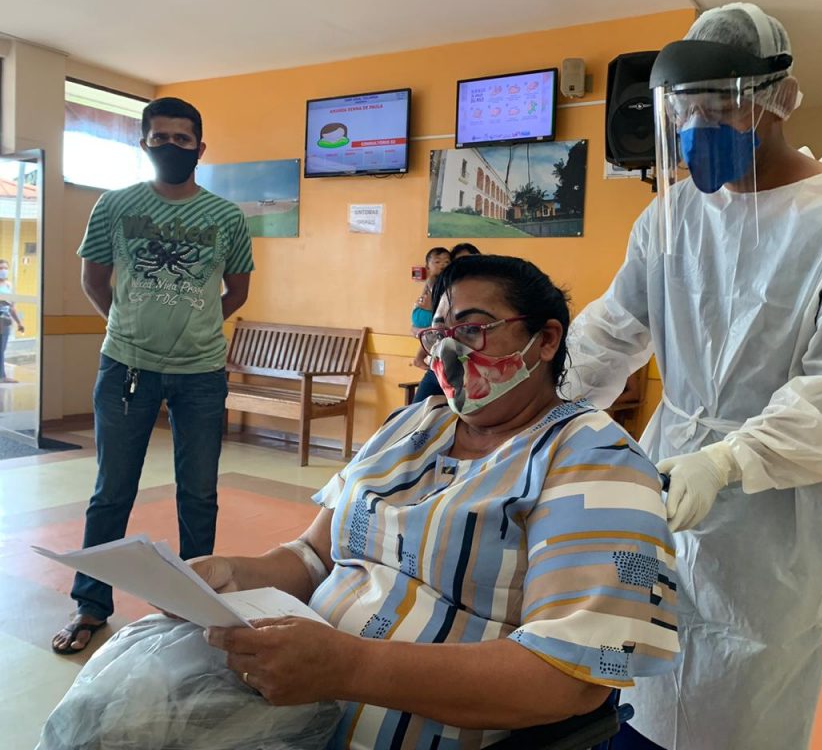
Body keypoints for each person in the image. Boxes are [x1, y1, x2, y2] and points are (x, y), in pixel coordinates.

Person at [43, 255, 682, 749]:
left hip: (388, 724)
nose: (450, 351)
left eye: (473, 329)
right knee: (99, 721)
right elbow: (313, 556)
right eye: (438, 333)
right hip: (285, 709)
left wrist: (349, 669)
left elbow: (567, 679)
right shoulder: (410, 428)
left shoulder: (594, 461)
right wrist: (233, 574)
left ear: (545, 340)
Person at [563, 3, 822, 750]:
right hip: (668, 476)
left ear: (775, 100)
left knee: (742, 681)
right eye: (685, 112)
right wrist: (537, 407)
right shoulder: (671, 218)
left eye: (719, 109)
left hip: (776, 506)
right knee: (639, 667)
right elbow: (610, 333)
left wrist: (730, 460)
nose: (698, 129)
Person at [51, 97, 254, 654]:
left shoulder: (227, 217)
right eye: (159, 138)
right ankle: (91, 605)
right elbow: (94, 280)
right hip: (125, 368)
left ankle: (196, 602)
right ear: (144, 144)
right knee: (111, 492)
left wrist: (196, 328)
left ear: (200, 148)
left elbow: (236, 290)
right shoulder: (114, 205)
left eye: (181, 139)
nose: (170, 147)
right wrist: (128, 328)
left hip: (201, 374)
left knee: (199, 493)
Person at [411, 244, 483, 403]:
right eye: (458, 262)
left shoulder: (484, 292)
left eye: (469, 261)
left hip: (473, 366)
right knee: (417, 409)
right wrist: (419, 330)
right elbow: (419, 327)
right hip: (441, 363)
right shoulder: (444, 288)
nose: (463, 267)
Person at [410, 247, 451, 371]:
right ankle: (420, 358)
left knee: (432, 333)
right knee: (436, 333)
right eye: (437, 262)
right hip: (425, 312)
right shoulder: (433, 279)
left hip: (423, 311)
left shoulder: (441, 280)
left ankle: (420, 358)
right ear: (427, 267)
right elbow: (435, 297)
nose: (443, 265)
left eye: (446, 262)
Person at [0, 258, 26, 383]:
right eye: (1, 268)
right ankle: (2, 376)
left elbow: (12, 307)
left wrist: (19, 323)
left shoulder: (9, 285)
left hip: (5, 321)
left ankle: (1, 375)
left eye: (5, 268)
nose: (3, 271)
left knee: (2, 348)